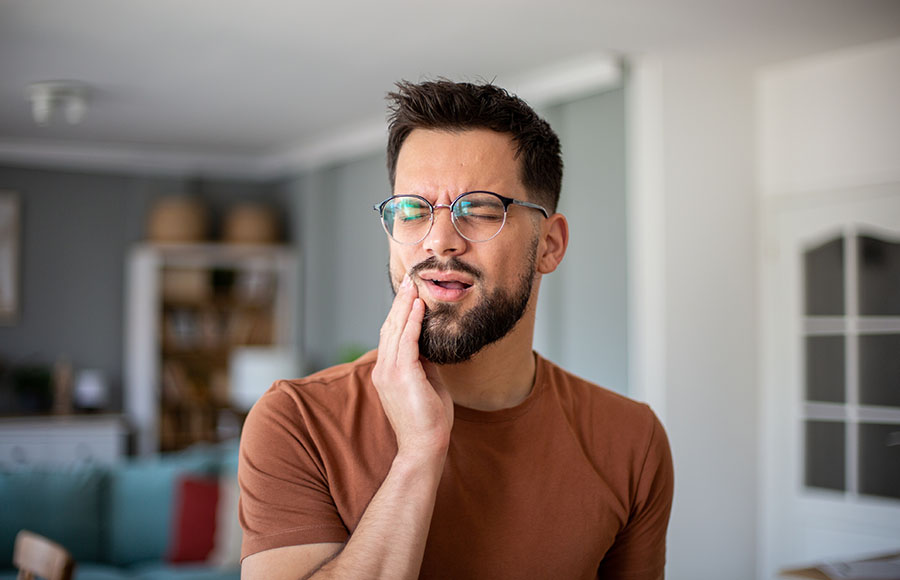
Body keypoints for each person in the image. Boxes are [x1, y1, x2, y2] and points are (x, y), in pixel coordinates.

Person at [238, 79, 674, 580]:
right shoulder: (297, 423)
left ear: (550, 245)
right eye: (412, 211)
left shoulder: (631, 440)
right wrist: (419, 453)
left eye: (480, 209)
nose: (438, 241)